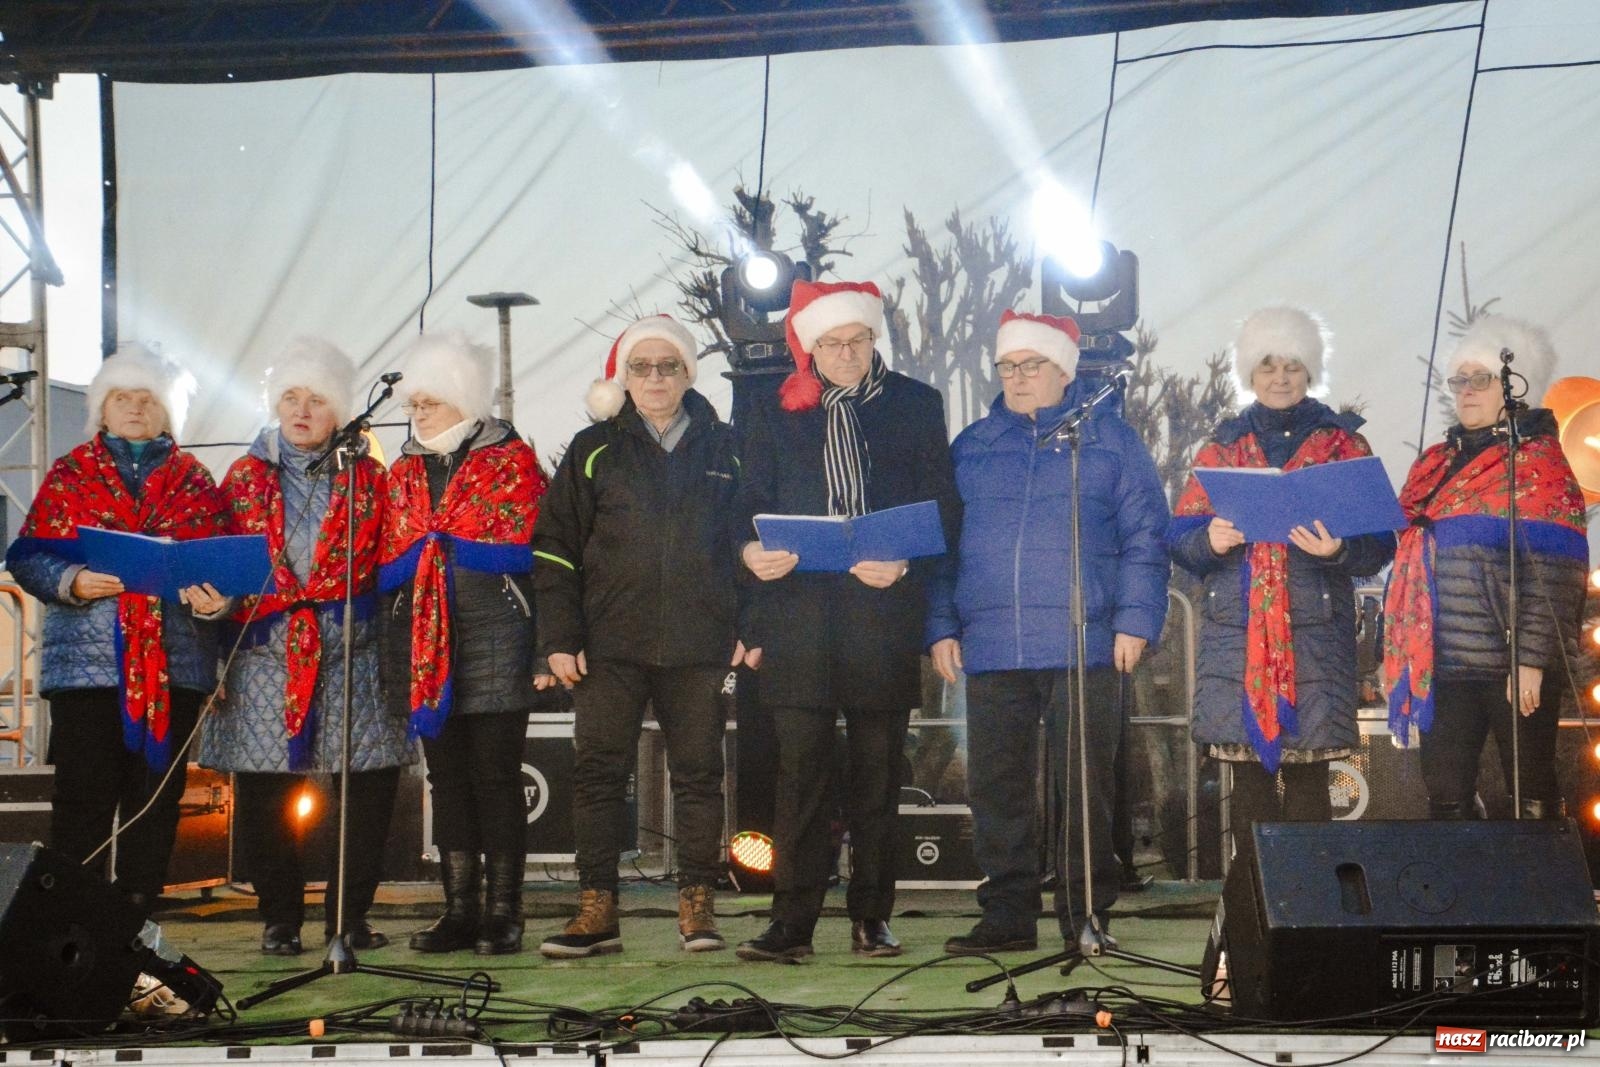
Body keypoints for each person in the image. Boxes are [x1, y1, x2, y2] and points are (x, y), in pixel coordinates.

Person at [927, 310, 1170, 955]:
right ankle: (1006, 914)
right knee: (996, 787)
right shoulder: (972, 446)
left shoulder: (1113, 442)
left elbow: (1147, 536)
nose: (1018, 377)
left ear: (1065, 369)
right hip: (992, 645)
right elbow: (942, 548)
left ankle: (1085, 914)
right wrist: (941, 625)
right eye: (1008, 366)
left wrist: (1136, 620)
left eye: (1031, 365)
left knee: (1084, 785)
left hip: (1085, 642)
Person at [734, 278, 960, 962]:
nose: (845, 353)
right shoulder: (773, 411)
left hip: (880, 617)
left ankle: (873, 916)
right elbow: (741, 508)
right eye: (830, 343)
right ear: (809, 347)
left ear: (872, 339)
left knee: (877, 777)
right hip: (798, 618)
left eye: (856, 340)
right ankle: (791, 923)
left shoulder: (916, 405)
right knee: (799, 778)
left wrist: (905, 564)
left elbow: (945, 509)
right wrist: (749, 552)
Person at [533, 314, 747, 958]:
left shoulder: (728, 448)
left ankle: (698, 911)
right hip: (608, 644)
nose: (655, 378)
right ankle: (596, 911)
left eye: (669, 366)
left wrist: (747, 625)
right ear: (623, 378)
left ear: (689, 373)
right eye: (641, 367)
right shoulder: (592, 447)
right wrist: (560, 637)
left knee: (700, 777)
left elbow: (754, 544)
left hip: (701, 643)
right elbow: (556, 547)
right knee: (598, 775)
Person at [193, 339, 412, 956]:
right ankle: (280, 916)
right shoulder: (243, 476)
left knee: (368, 791)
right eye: (291, 396)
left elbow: (393, 562)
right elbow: (223, 562)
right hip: (266, 652)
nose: (302, 409)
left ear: (339, 410)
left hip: (356, 651)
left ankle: (348, 917)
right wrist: (219, 604)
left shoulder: (370, 477)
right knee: (267, 791)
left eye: (317, 398)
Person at [5, 345, 226, 913]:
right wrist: (73, 580)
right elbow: (27, 557)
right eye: (121, 398)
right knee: (81, 800)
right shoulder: (70, 474)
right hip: (87, 671)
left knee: (155, 800)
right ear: (102, 411)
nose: (133, 408)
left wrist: (213, 603)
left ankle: (132, 920)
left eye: (146, 399)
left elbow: (226, 570)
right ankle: (69, 926)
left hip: (175, 667)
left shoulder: (196, 481)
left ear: (166, 412)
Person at [1168, 307, 1394, 851]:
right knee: (1248, 783)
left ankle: (1310, 902)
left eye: (1291, 365)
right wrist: (1209, 541)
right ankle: (1256, 904)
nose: (1279, 378)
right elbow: (1179, 538)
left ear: (1309, 370)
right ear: (1250, 374)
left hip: (1314, 635)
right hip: (1236, 636)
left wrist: (1340, 549)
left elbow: (1381, 543)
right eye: (1267, 366)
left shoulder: (1344, 446)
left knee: (1312, 779)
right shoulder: (1220, 448)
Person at [380, 333, 547, 955]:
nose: (418, 412)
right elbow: (385, 557)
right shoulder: (399, 474)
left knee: (497, 777)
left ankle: (505, 912)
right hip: (424, 645)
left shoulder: (513, 462)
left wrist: (541, 648)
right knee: (446, 780)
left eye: (431, 401)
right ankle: (459, 910)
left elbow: (539, 557)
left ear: (464, 399)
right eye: (413, 403)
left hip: (498, 635)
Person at [1384, 316, 1588, 820]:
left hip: (1510, 662)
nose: (1468, 391)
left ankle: (1539, 892)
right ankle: (1464, 893)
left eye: (1481, 379)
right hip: (1443, 660)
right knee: (1446, 792)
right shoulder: (1434, 463)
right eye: (1460, 380)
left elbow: (1557, 573)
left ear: (1513, 388)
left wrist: (1532, 659)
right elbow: (1401, 538)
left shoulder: (1538, 462)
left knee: (1529, 788)